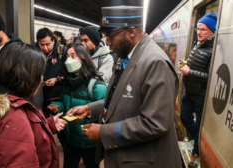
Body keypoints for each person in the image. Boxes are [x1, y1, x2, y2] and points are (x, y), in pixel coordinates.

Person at [67, 6, 182, 168]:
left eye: (110, 35)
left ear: (131, 32)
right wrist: (89, 109)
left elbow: (155, 123)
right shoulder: (125, 57)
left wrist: (103, 132)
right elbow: (119, 99)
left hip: (143, 160)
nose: (107, 41)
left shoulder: (154, 63)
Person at [0, 42, 67, 168]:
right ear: (26, 75)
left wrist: (48, 125)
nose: (41, 78)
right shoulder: (12, 115)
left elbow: (20, 135)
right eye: (39, 73)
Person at [49, 44, 107, 168]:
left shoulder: (97, 84)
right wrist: (57, 107)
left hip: (89, 141)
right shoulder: (68, 82)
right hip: (70, 140)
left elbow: (102, 112)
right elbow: (64, 103)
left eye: (73, 56)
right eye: (67, 56)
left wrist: (85, 115)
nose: (68, 60)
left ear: (84, 58)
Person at [178, 13, 217, 165]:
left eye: (204, 29)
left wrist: (189, 72)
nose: (199, 32)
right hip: (189, 92)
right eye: (198, 29)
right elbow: (196, 63)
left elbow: (210, 76)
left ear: (212, 32)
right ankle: (197, 138)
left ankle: (196, 154)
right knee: (184, 118)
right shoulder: (198, 44)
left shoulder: (212, 50)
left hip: (200, 94)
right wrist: (188, 62)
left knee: (199, 125)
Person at [36, 28, 67, 118]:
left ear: (53, 41)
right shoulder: (34, 52)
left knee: (57, 121)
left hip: (57, 96)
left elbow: (67, 73)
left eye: (48, 44)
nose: (45, 48)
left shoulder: (62, 51)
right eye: (41, 45)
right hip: (40, 96)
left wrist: (57, 79)